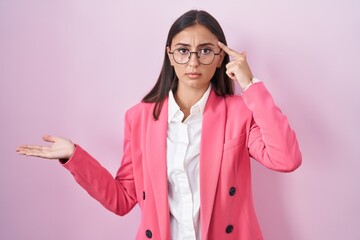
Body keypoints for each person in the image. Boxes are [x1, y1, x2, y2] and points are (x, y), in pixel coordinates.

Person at [16, 9, 302, 240]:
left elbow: (286, 159)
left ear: (219, 59)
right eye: (182, 50)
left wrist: (249, 84)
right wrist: (74, 156)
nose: (193, 61)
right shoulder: (139, 117)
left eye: (205, 51)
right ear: (169, 54)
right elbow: (122, 199)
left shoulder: (240, 111)